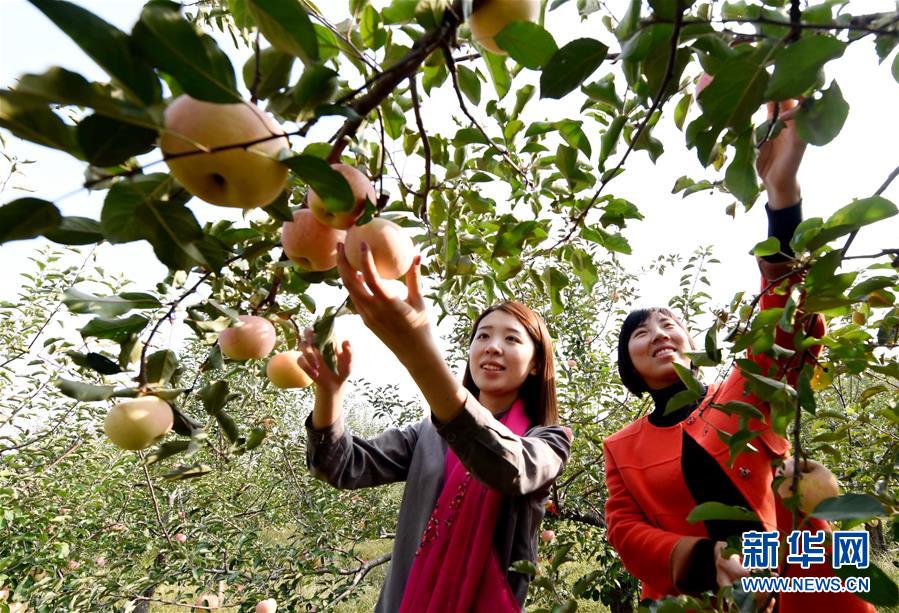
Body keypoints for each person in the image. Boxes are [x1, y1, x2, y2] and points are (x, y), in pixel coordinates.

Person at [603, 101, 875, 613]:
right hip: (702, 599)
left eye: (670, 323)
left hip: (800, 580)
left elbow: (786, 312)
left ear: (691, 342)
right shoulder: (621, 447)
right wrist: (705, 557)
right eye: (641, 331)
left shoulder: (743, 388)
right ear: (629, 362)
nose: (658, 333)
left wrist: (782, 193)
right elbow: (624, 529)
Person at [298, 243, 572, 612]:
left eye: (511, 338)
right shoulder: (427, 435)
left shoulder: (549, 440)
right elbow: (341, 466)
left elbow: (509, 467)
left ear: (537, 363)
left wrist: (417, 351)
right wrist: (328, 392)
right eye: (483, 336)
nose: (492, 347)